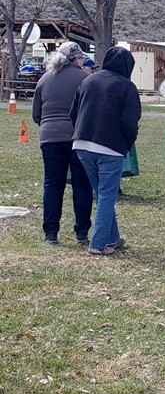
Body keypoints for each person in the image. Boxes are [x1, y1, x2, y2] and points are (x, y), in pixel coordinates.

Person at [71, 46, 141, 256]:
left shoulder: (88, 80)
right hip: (110, 148)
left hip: (82, 145)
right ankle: (98, 244)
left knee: (102, 193)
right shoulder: (126, 86)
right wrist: (126, 145)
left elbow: (73, 113)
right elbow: (130, 122)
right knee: (107, 195)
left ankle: (112, 238)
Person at [31, 42, 93, 245]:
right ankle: (82, 232)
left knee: (52, 184)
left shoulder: (44, 79)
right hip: (77, 138)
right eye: (82, 58)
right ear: (76, 59)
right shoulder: (85, 79)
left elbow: (36, 115)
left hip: (50, 138)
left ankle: (51, 234)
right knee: (81, 184)